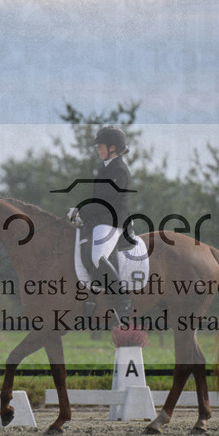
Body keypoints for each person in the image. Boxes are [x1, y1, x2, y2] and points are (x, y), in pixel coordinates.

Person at [72, 125, 134, 321]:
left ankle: (123, 303)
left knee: (99, 256)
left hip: (114, 222)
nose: (98, 149)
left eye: (101, 146)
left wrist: (81, 211)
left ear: (113, 148)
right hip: (100, 221)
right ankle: (93, 292)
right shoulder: (105, 167)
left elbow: (106, 202)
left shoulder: (119, 170)